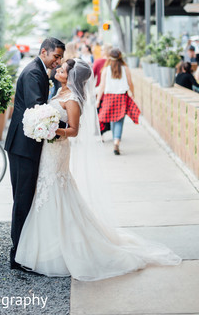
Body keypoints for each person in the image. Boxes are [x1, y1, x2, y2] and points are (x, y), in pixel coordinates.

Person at [15, 59, 181, 280]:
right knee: (46, 192)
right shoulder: (59, 91)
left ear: (71, 77)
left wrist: (53, 130)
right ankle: (47, 248)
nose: (59, 70)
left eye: (63, 70)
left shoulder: (73, 100)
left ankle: (61, 250)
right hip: (49, 150)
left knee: (54, 190)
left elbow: (73, 130)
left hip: (57, 151)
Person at [4, 37, 65, 270]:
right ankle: (18, 255)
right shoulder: (33, 73)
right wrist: (61, 129)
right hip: (23, 147)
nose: (58, 62)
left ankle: (23, 251)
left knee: (26, 199)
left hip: (27, 146)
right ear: (44, 52)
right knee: (22, 200)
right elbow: (37, 108)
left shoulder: (40, 71)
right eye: (55, 56)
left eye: (60, 57)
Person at [96, 48, 140, 155]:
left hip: (109, 97)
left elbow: (102, 86)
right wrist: (132, 93)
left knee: (112, 119)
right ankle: (116, 141)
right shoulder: (125, 68)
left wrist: (98, 100)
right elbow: (130, 83)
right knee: (119, 120)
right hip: (122, 97)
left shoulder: (106, 69)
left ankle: (114, 139)